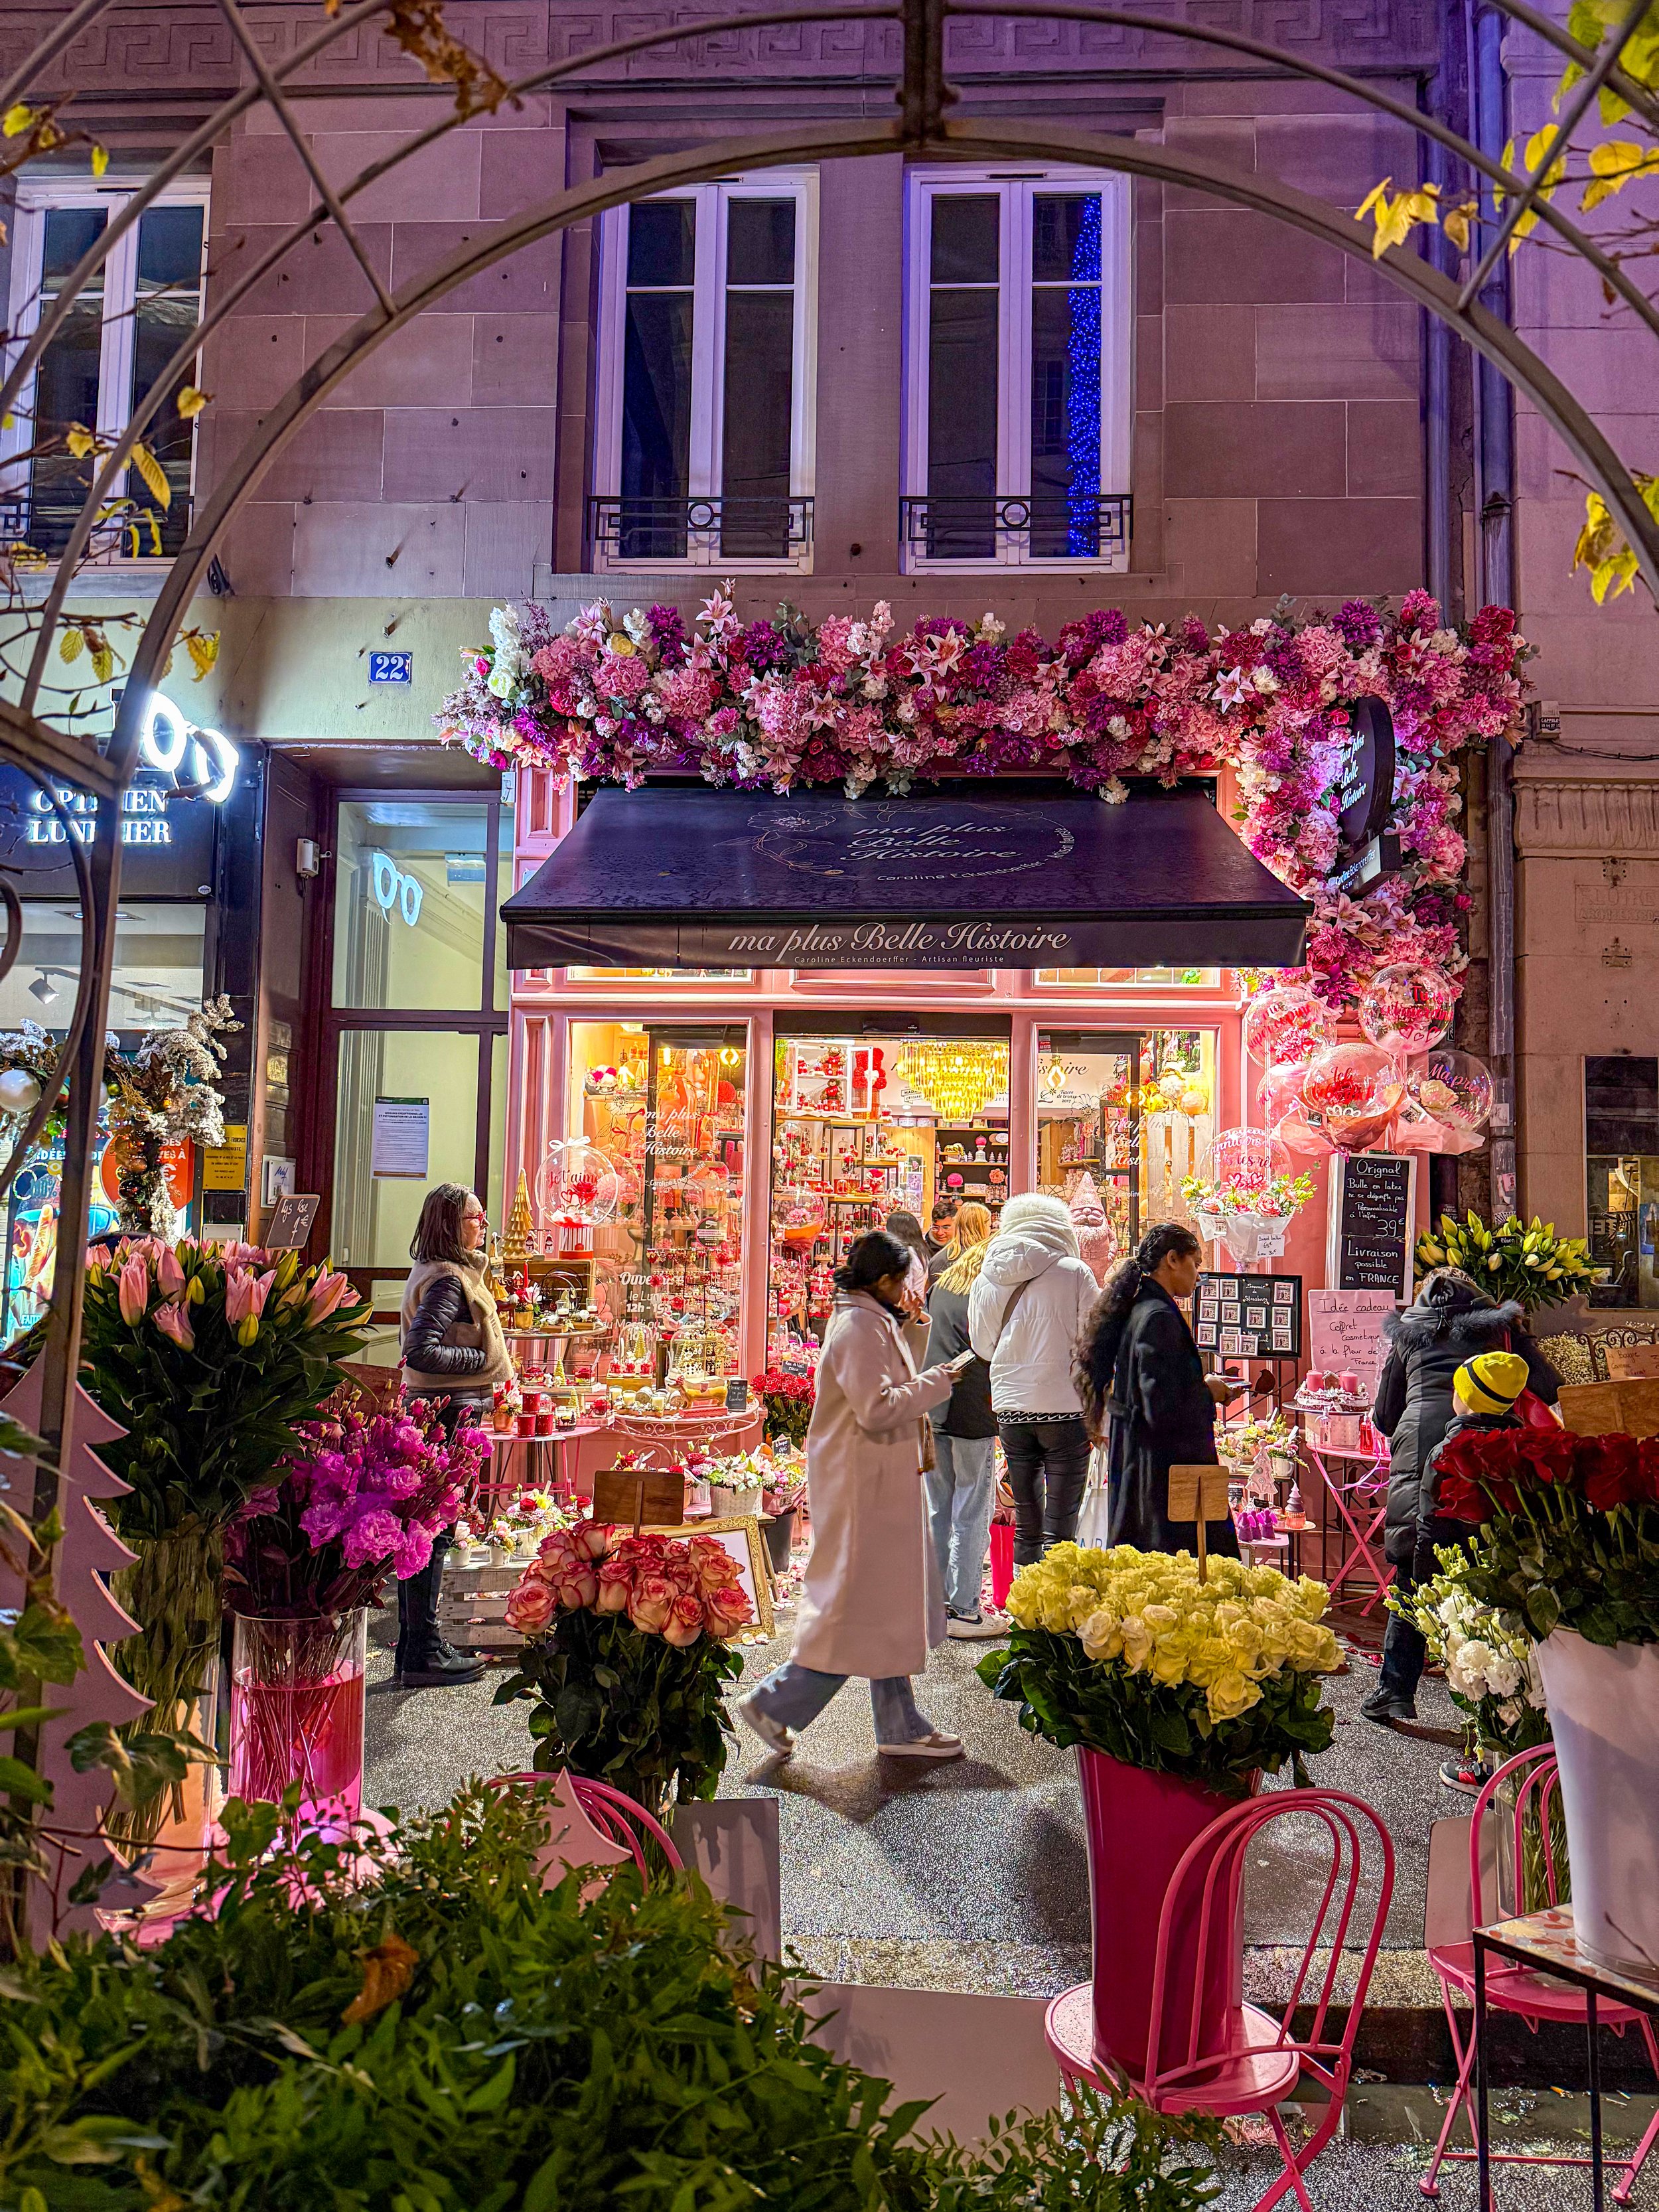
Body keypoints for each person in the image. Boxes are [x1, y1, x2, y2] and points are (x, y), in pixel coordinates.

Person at [738, 1231, 975, 1760]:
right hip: (864, 1488)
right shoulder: (859, 1327)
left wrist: (914, 1328)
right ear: (884, 1280)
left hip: (873, 1483)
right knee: (860, 1611)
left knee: (879, 1606)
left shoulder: (869, 1320)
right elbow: (878, 1407)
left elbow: (888, 1382)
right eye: (903, 1280)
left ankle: (899, 1723)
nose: (909, 1289)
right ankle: (776, 1702)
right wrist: (937, 1382)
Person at [1364, 1270, 1559, 1726]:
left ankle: (1394, 1690)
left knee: (1412, 1570)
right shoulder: (1499, 1328)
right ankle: (1494, 1706)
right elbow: (1549, 1386)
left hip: (1418, 1450)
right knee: (1485, 1573)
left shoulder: (1409, 1333)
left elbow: (1385, 1413)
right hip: (1486, 1450)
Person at [1362, 1350, 1530, 1752]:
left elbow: (1430, 1516)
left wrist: (1422, 1567)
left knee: (1409, 1607)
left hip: (1436, 1553)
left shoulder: (1448, 1448)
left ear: (1464, 1397)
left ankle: (1394, 1691)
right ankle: (1492, 1714)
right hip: (1493, 1558)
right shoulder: (1520, 1444)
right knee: (1487, 1632)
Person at [397, 1182, 514, 1688]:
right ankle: (424, 1651)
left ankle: (416, 1647)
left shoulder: (441, 1271)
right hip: (444, 1414)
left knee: (426, 1527)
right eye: (474, 1218)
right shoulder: (447, 1279)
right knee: (433, 1529)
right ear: (451, 1224)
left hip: (439, 1411)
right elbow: (420, 1350)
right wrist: (481, 1359)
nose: (482, 1224)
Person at [1076, 1221, 1240, 1556]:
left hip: (1141, 1464)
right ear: (1173, 1260)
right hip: (1160, 1474)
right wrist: (1207, 1392)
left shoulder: (1141, 1308)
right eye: (1195, 1263)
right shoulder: (1157, 1316)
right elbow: (1161, 1404)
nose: (1198, 1275)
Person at [968, 1193, 1098, 1564]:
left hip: (1012, 1407)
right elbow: (1095, 1342)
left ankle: (1022, 1594)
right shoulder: (1075, 1272)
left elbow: (981, 1345)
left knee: (1026, 1522)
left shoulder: (988, 1278)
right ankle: (1056, 1597)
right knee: (1060, 1529)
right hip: (1065, 1408)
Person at [921, 1203, 1003, 1638]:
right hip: (972, 1403)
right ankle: (966, 1609)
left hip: (934, 1402)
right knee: (972, 1508)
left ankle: (933, 1604)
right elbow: (990, 1347)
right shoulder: (984, 1288)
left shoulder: (942, 1277)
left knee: (939, 1508)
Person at [924, 1196, 959, 1278]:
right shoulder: (924, 1249)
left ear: (957, 1224)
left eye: (946, 1228)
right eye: (936, 1227)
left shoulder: (964, 1249)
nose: (940, 1233)